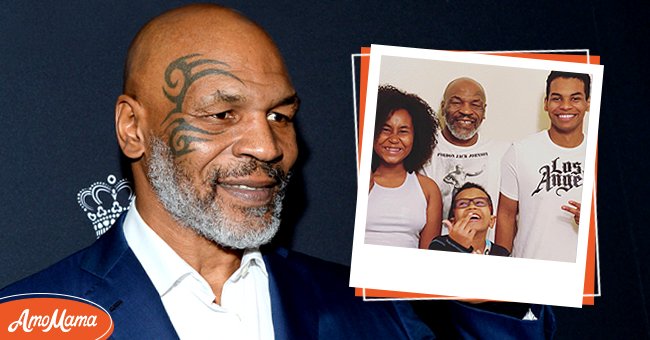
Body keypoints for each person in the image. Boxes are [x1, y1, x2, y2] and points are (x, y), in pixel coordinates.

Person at [1, 4, 554, 339]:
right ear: (133, 128)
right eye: (222, 115)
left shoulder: (368, 306)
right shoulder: (25, 321)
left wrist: (492, 295)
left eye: (280, 116)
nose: (268, 146)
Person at [496, 71, 589, 262]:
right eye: (557, 98)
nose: (565, 106)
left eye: (575, 98)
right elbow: (506, 215)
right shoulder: (519, 151)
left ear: (588, 103)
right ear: (546, 103)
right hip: (529, 272)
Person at [422, 77, 509, 241]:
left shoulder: (503, 151)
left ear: (484, 111)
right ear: (443, 107)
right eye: (456, 102)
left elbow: (509, 214)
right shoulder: (422, 148)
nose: (466, 111)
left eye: (475, 104)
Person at [365, 85, 442, 249]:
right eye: (385, 129)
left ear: (417, 137)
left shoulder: (428, 189)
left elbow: (429, 255)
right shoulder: (360, 179)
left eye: (403, 131)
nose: (394, 139)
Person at [429, 182, 509, 256]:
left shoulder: (502, 253)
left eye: (479, 202)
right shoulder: (439, 245)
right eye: (463, 204)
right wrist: (457, 246)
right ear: (453, 222)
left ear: (491, 221)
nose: (472, 207)